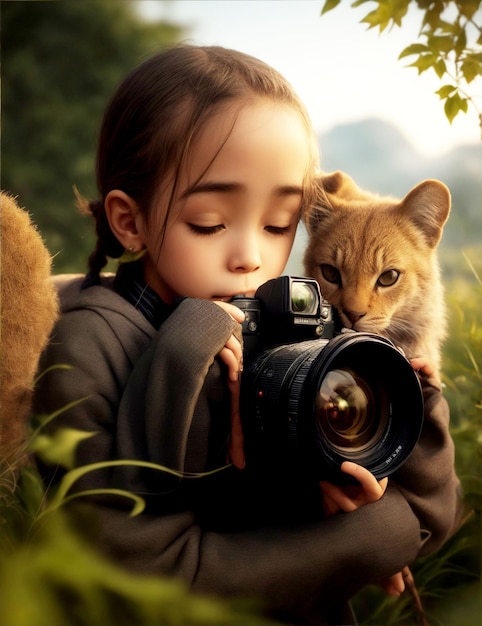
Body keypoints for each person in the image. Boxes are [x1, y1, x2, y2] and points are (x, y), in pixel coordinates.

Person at [33, 45, 462, 626]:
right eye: (209, 223)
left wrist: (353, 469)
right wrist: (366, 540)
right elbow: (135, 575)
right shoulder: (88, 347)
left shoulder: (285, 327)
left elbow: (430, 516)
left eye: (280, 224)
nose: (252, 257)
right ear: (129, 220)